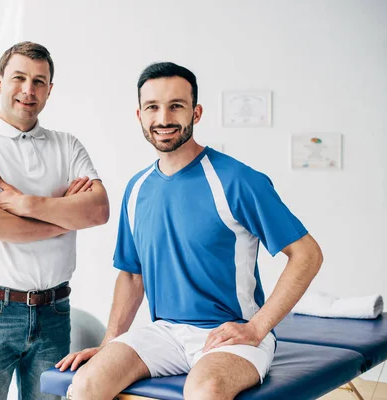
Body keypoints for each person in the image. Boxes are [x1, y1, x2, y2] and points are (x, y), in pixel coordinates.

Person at [56, 62, 323, 400]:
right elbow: (132, 275)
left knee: (206, 391)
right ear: (139, 115)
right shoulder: (137, 189)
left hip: (230, 331)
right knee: (86, 385)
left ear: (196, 113)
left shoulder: (237, 181)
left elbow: (307, 254)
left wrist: (257, 328)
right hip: (163, 333)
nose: (163, 118)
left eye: (176, 106)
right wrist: (110, 342)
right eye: (153, 107)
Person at [0, 41, 109, 400]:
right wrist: (63, 217)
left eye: (39, 81)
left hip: (53, 311)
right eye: (19, 78)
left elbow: (97, 211)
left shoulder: (68, 145)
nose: (28, 89)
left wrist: (26, 203)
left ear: (50, 90)